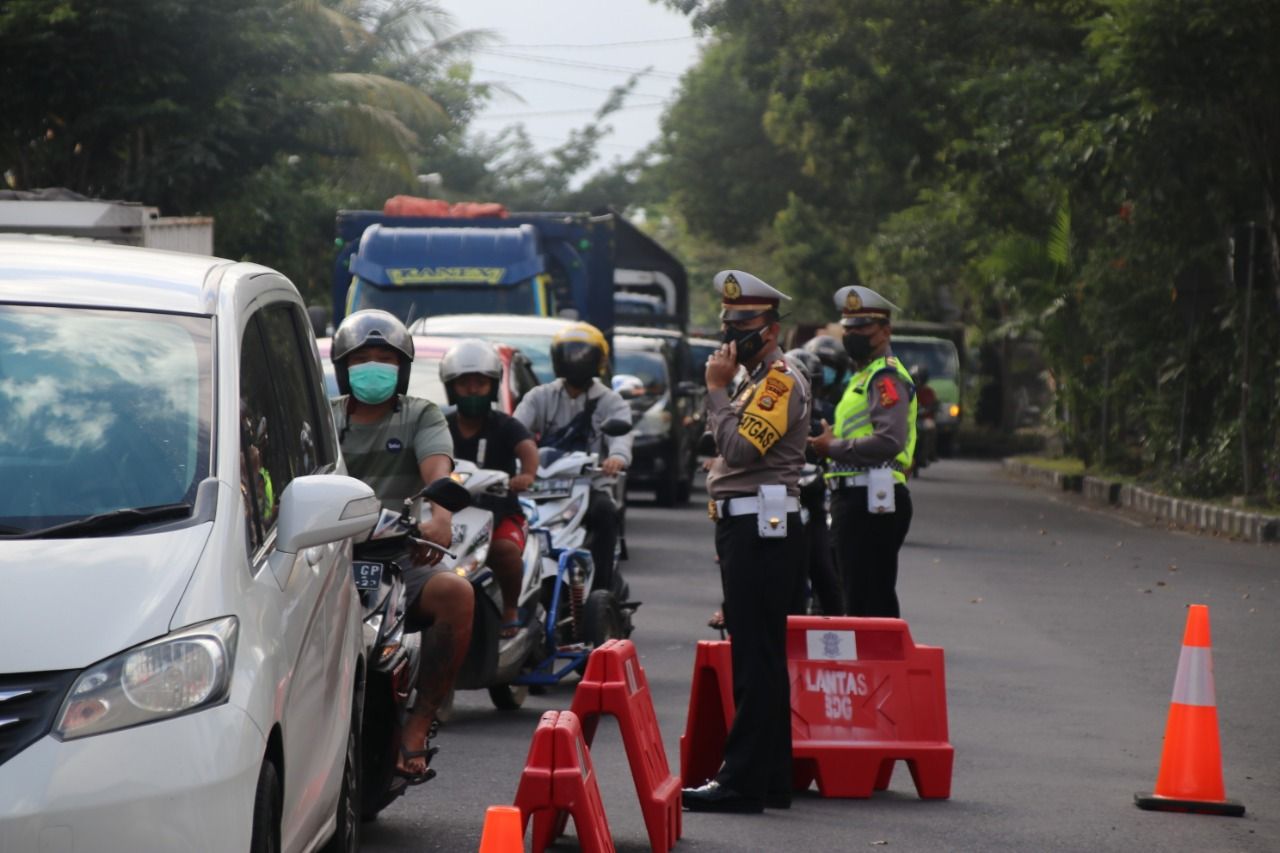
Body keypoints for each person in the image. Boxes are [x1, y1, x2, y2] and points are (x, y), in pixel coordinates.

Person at [682, 270, 810, 814]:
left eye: (745, 324)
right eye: (728, 324)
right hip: (753, 524)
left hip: (762, 527)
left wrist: (714, 389)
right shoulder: (753, 380)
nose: (733, 334)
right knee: (762, 655)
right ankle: (771, 778)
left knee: (754, 658)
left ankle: (740, 782)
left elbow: (738, 450)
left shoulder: (779, 380)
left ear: (772, 330)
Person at [329, 309, 474, 785]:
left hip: (400, 556)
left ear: (404, 367)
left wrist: (441, 515)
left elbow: (439, 470)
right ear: (342, 367)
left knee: (457, 594)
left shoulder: (420, 414)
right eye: (363, 358)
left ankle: (418, 720)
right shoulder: (322, 419)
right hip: (326, 558)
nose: (374, 366)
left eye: (385, 358)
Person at [808, 286, 917, 618]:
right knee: (857, 597)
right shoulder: (863, 376)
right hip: (857, 497)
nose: (853, 335)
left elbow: (889, 440)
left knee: (868, 602)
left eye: (862, 329)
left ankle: (878, 668)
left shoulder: (885, 378)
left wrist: (832, 447)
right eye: (849, 328)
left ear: (885, 331)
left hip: (871, 499)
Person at [513, 322, 633, 594]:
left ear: (598, 361)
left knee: (605, 512)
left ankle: (602, 591)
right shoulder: (539, 396)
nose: (575, 360)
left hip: (589, 486)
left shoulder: (611, 401)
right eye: (569, 353)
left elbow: (622, 438)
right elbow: (515, 431)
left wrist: (616, 457)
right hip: (539, 485)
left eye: (583, 354)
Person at [439, 339, 539, 638]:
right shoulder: (439, 425)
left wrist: (527, 474)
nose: (472, 390)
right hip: (448, 513)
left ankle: (510, 608)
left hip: (501, 514)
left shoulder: (505, 425)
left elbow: (527, 448)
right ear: (451, 387)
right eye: (465, 383)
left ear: (493, 386)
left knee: (505, 551)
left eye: (480, 383)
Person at [783, 347, 843, 617]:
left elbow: (840, 447)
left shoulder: (828, 414)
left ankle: (835, 625)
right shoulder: (773, 409)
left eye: (811, 382)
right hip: (779, 500)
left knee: (825, 573)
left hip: (816, 500)